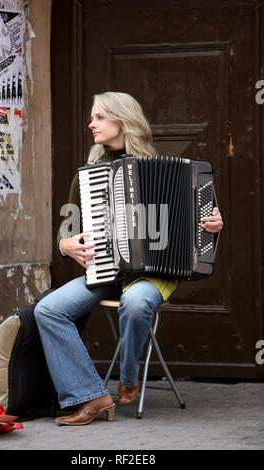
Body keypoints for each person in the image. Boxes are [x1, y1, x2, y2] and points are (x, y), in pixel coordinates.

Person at [34, 92, 223, 426]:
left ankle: (129, 376)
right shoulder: (89, 175)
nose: (91, 123)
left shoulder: (172, 170)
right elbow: (67, 226)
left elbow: (200, 226)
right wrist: (65, 245)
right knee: (49, 309)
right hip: (108, 272)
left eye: (99, 117)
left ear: (122, 120)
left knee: (136, 302)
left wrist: (211, 225)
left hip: (153, 276)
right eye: (92, 117)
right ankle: (91, 396)